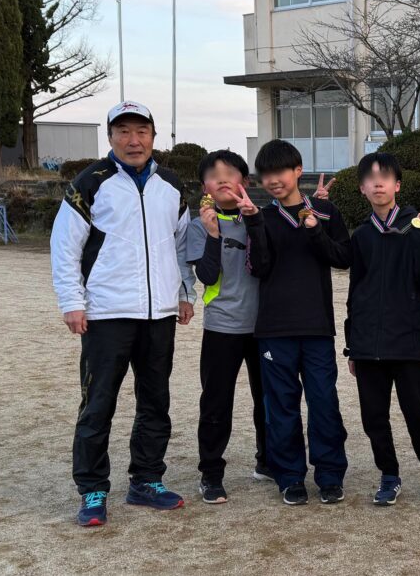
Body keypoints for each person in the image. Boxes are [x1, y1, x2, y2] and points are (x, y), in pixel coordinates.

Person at [50, 100, 196, 527]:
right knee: (98, 404)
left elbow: (181, 245)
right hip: (106, 312)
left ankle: (146, 480)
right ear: (111, 136)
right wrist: (72, 302)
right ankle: (92, 489)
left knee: (155, 401)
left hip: (159, 314)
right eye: (124, 132)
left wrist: (184, 293)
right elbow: (65, 246)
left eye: (141, 131)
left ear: (153, 136)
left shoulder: (171, 184)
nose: (134, 140)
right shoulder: (90, 182)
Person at [240, 139, 351, 506]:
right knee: (281, 406)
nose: (273, 180)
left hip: (317, 326)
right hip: (274, 329)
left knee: (324, 402)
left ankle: (330, 475)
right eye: (265, 174)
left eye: (280, 172)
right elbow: (259, 267)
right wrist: (254, 224)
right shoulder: (261, 216)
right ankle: (289, 477)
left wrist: (314, 229)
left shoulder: (325, 211)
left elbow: (343, 257)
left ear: (297, 171)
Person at [344, 152, 420, 506]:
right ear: (362, 188)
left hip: (408, 340)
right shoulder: (361, 235)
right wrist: (352, 345)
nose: (378, 183)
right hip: (367, 344)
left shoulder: (417, 226)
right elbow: (355, 291)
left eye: (385, 177)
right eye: (370, 178)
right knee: (374, 416)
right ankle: (389, 474)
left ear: (397, 185)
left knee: (417, 411)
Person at [186, 150, 269, 504]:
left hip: (264, 326)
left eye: (230, 173)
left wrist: (254, 222)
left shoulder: (260, 218)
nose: (222, 179)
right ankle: (211, 473)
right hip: (222, 327)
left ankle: (268, 461)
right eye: (213, 175)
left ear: (245, 182)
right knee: (216, 403)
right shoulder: (198, 225)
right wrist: (212, 234)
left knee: (268, 399)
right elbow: (207, 275)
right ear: (204, 186)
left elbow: (265, 265)